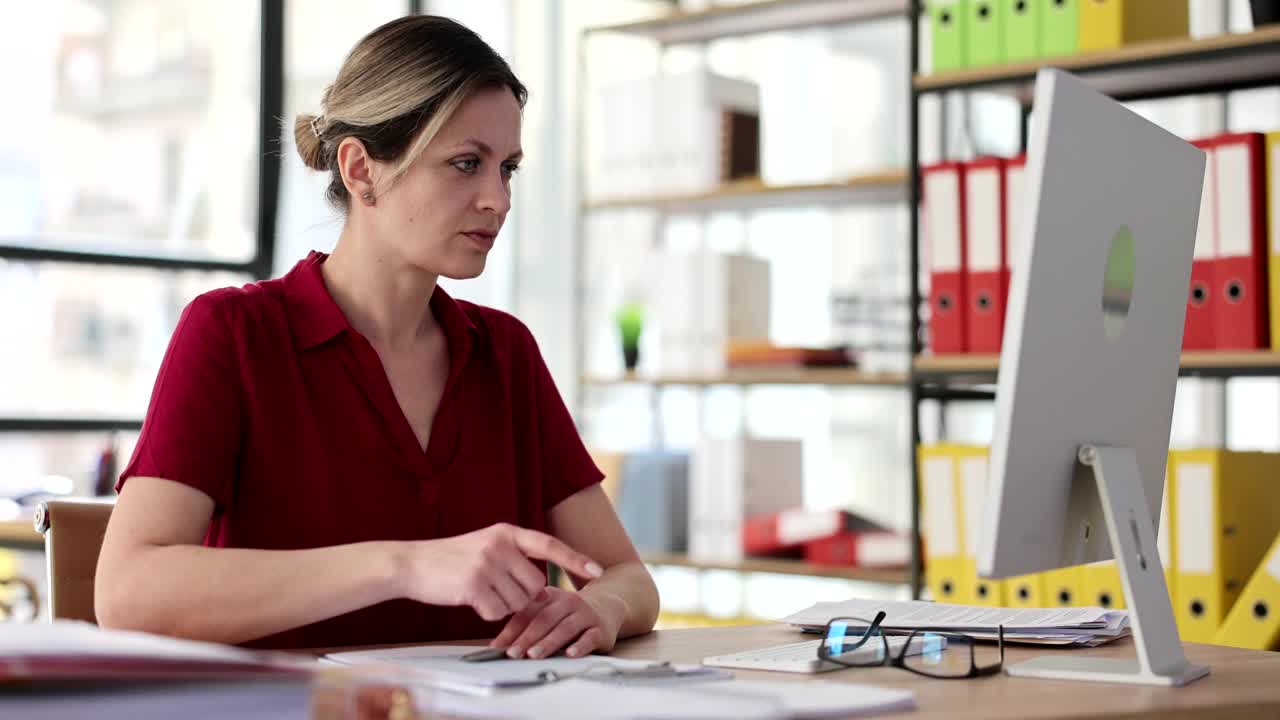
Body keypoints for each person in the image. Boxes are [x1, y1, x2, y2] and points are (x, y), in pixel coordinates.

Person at [95, 15, 659, 658]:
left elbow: (629, 577)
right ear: (361, 169)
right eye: (467, 164)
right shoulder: (232, 335)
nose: (497, 199)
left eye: (507, 169)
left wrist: (599, 608)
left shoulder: (506, 352)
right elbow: (128, 594)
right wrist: (406, 565)